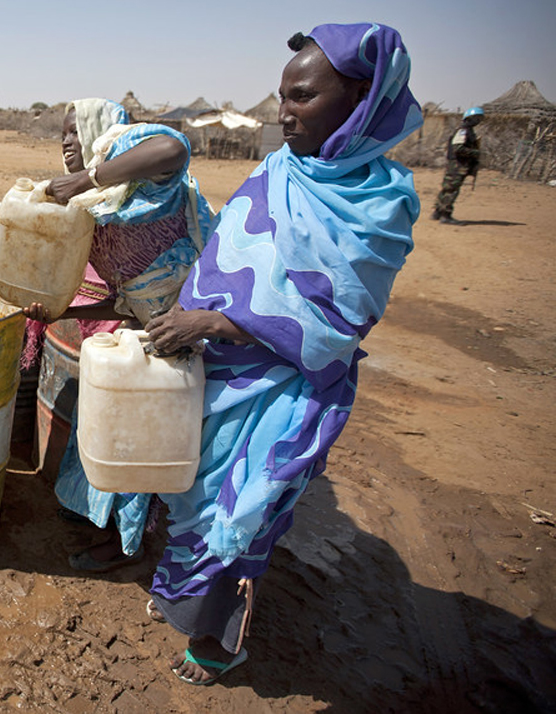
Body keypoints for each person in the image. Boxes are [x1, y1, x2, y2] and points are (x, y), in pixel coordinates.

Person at [142, 23, 423, 685]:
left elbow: (339, 327)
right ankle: (186, 595)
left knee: (244, 518)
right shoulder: (276, 169)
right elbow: (226, 259)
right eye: (281, 96)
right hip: (222, 373)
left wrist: (214, 319)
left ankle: (216, 641)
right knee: (192, 498)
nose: (283, 112)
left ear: (360, 97)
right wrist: (191, 314)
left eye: (301, 97)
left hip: (289, 391)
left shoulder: (379, 207)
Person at [22, 98, 215, 572]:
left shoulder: (136, 172)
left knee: (138, 443)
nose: (66, 141)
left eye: (74, 130)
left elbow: (173, 147)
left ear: (98, 131)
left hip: (181, 329)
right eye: (61, 133)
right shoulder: (103, 204)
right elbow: (127, 296)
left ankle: (123, 546)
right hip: (143, 324)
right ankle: (102, 525)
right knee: (109, 431)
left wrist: (86, 177)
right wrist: (61, 311)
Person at [432, 106, 484, 225]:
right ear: (469, 118)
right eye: (475, 118)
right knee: (451, 189)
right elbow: (458, 148)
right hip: (458, 165)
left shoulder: (467, 131)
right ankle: (445, 215)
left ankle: (438, 211)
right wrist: (475, 152)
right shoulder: (463, 131)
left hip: (458, 164)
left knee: (447, 188)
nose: (477, 121)